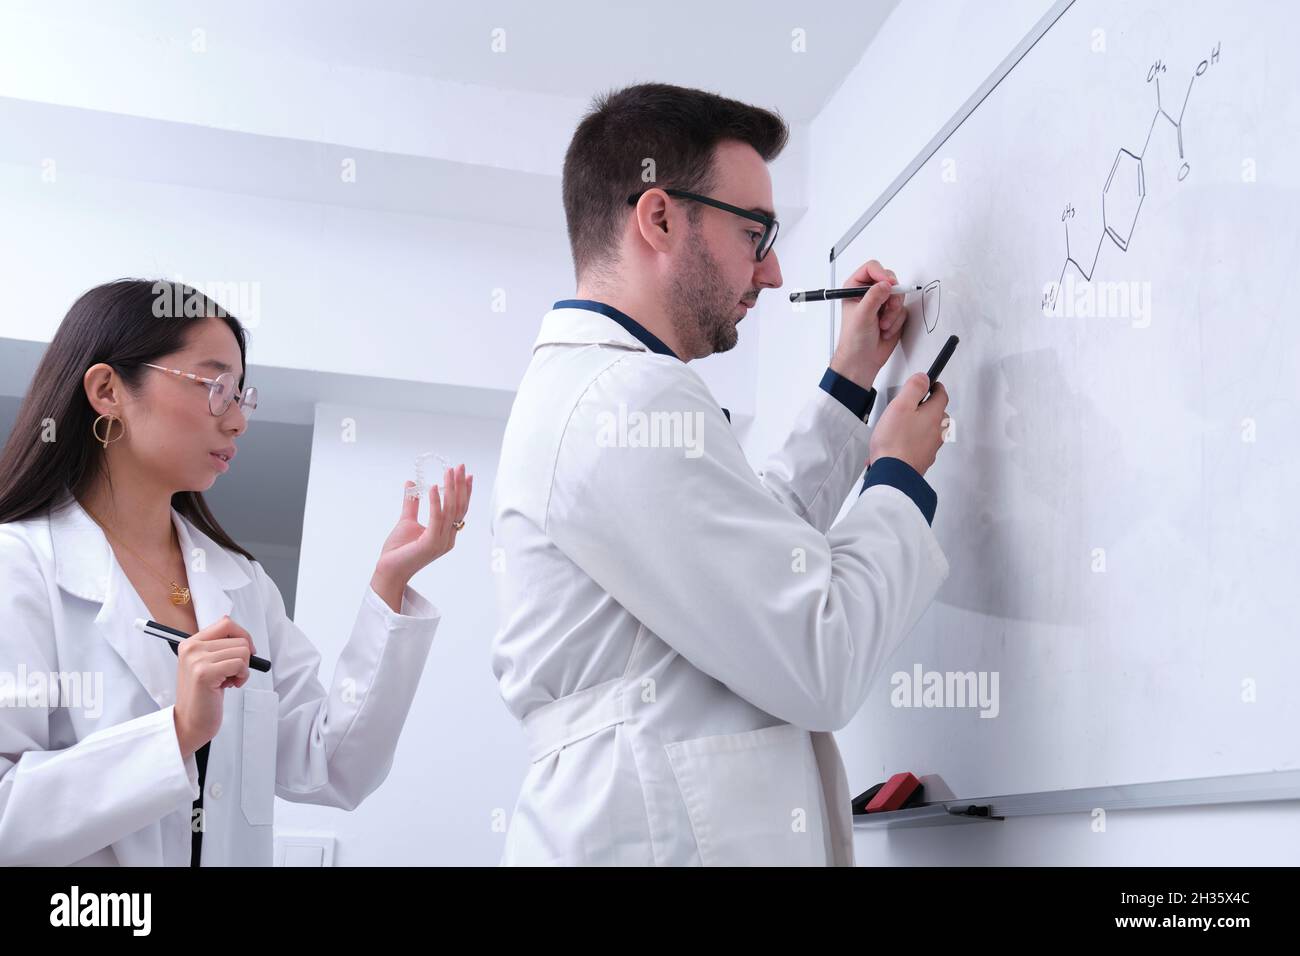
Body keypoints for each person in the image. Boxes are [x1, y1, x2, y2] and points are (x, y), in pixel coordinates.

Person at [490, 83, 951, 865]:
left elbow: (747, 557)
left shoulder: (600, 391)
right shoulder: (623, 399)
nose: (770, 275)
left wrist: (848, 385)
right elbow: (818, 656)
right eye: (757, 234)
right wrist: (897, 478)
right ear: (660, 217)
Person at [0, 279, 472, 865]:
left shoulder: (240, 583)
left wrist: (389, 587)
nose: (237, 421)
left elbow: (334, 766)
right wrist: (176, 732)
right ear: (107, 390)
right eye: (215, 387)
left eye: (242, 397)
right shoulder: (19, 567)